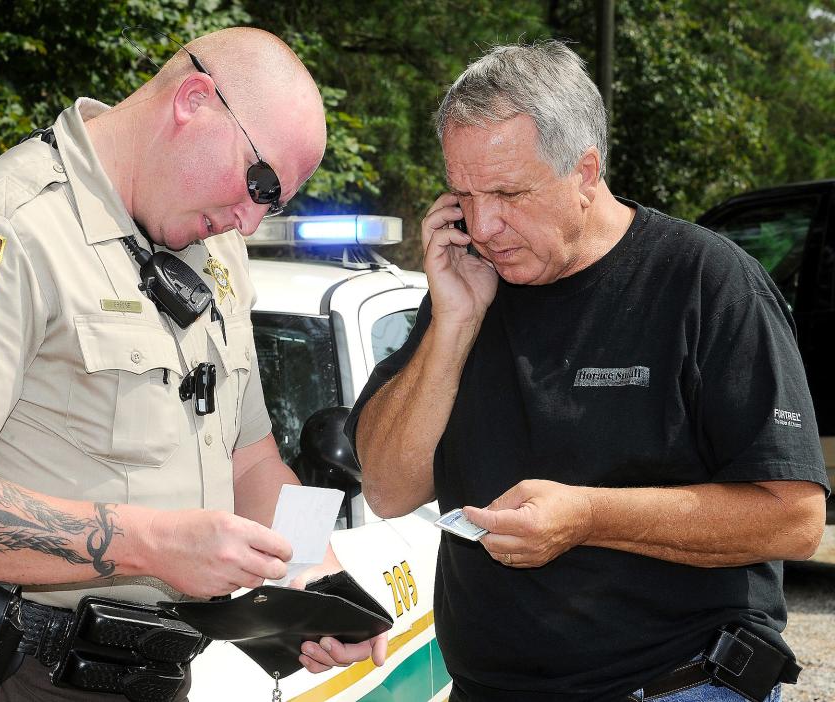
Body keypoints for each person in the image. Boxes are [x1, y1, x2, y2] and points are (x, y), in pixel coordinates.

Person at [0, 27, 384, 701]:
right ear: (195, 100)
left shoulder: (218, 251)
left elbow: (252, 461)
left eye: (273, 201)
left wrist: (314, 573)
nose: (250, 220)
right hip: (6, 670)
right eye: (258, 181)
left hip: (157, 673)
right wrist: (151, 544)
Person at [345, 40, 828, 702]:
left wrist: (589, 516)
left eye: (509, 193)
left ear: (585, 171)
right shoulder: (466, 284)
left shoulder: (704, 283)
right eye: (463, 194)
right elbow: (388, 490)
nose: (483, 225)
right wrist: (454, 323)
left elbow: (793, 521)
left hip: (679, 686)